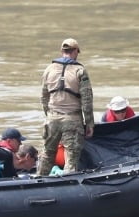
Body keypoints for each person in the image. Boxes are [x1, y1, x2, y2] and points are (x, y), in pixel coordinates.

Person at [38, 38, 94, 175]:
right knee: (71, 157)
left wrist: (49, 115)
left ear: (62, 51)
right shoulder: (80, 71)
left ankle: (38, 180)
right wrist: (89, 123)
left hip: (52, 118)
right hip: (72, 119)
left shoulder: (49, 69)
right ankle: (69, 184)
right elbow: (86, 100)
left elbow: (44, 97)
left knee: (47, 154)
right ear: (75, 51)